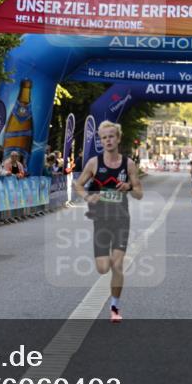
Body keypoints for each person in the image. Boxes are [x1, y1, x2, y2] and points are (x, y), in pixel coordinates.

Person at [74, 121, 143, 324]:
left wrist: (129, 187)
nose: (108, 140)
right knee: (103, 268)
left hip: (121, 220)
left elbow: (140, 194)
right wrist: (88, 197)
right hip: (101, 221)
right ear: (101, 141)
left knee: (117, 264)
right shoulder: (94, 163)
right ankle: (110, 283)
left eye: (111, 136)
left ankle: (114, 307)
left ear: (118, 138)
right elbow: (78, 185)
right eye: (104, 137)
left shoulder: (128, 164)